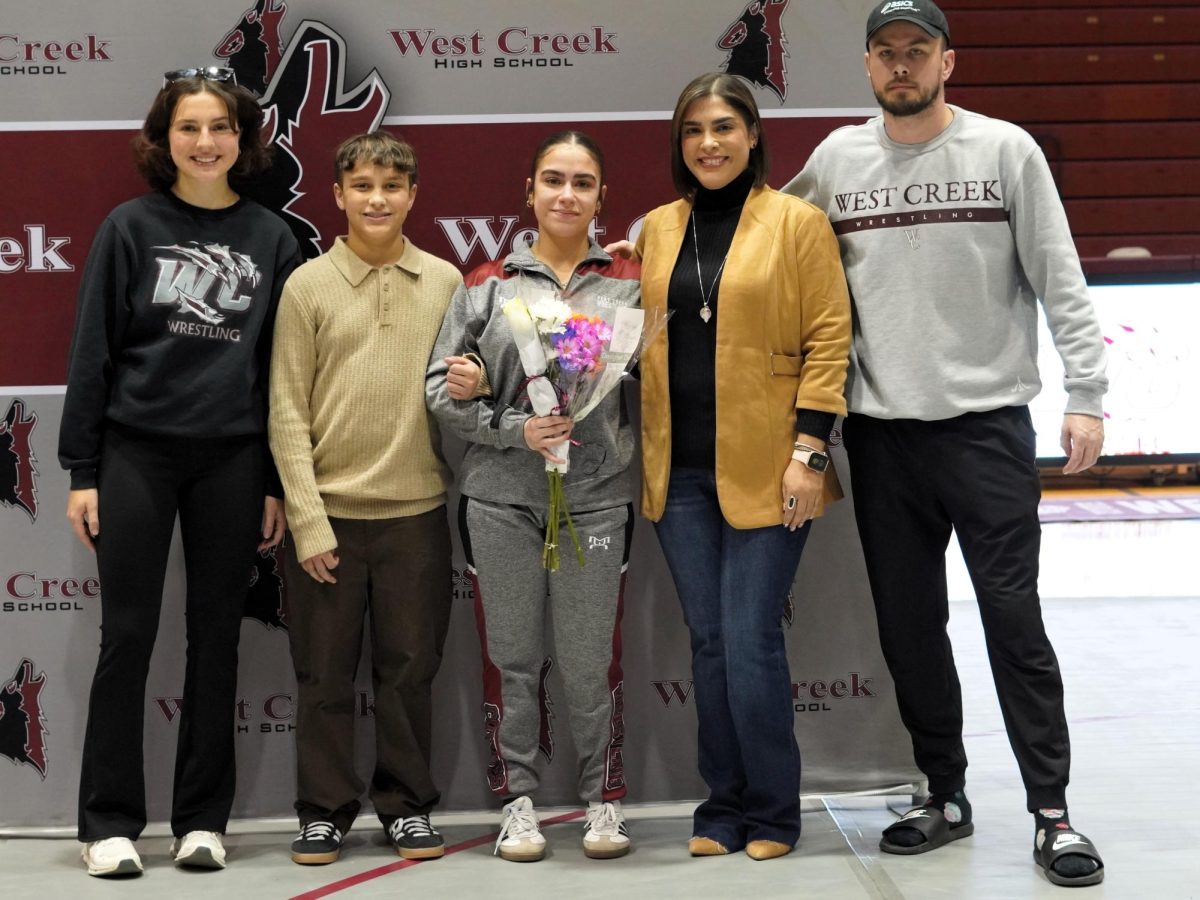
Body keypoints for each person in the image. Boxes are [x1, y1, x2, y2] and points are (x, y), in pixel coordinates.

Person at [784, 0, 1107, 887]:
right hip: (884, 441)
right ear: (866, 66)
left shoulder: (1006, 150)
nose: (900, 67)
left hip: (988, 432)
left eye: (916, 53)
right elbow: (766, 237)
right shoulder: (838, 160)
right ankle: (945, 794)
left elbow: (1061, 276)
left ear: (946, 63)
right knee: (911, 629)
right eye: (885, 53)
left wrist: (1088, 395)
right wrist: (650, 252)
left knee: (1014, 624)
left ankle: (1053, 812)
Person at [58, 67, 301, 877]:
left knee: (216, 638)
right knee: (127, 635)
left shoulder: (272, 238)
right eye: (190, 128)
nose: (206, 142)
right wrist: (81, 468)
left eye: (221, 128)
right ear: (165, 139)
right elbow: (92, 350)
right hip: (135, 454)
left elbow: (279, 372)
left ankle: (203, 820)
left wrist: (272, 477)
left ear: (244, 140)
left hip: (231, 458)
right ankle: (108, 823)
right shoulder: (129, 227)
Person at [632, 72, 852, 860]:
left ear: (753, 135)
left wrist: (810, 451)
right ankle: (720, 806)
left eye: (724, 127)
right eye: (693, 130)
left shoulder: (797, 223)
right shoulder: (657, 228)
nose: (709, 144)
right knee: (709, 644)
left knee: (751, 636)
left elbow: (830, 338)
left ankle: (774, 813)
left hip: (775, 468)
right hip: (677, 472)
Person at [426, 131, 640, 863]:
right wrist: (515, 428)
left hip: (598, 499)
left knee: (588, 660)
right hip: (499, 501)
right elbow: (441, 395)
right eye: (553, 180)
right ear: (529, 191)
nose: (566, 194)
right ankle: (516, 800)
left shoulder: (629, 285)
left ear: (601, 197)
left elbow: (650, 396)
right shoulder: (486, 284)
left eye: (583, 182)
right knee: (511, 656)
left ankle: (603, 802)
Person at [268, 132, 464, 865]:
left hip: (416, 513)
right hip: (329, 520)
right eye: (362, 186)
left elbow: (460, 391)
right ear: (338, 196)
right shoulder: (307, 286)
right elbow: (286, 408)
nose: (376, 199)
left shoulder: (445, 282)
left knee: (410, 669)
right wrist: (308, 518)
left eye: (391, 186)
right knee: (322, 675)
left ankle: (406, 806)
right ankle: (323, 810)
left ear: (413, 196)